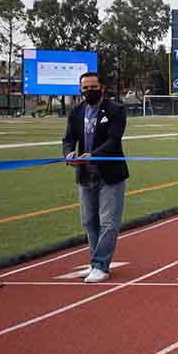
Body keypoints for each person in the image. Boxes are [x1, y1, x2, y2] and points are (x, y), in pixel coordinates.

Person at [62, 72, 130, 283]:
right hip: (85, 175)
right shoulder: (75, 111)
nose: (89, 92)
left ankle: (101, 265)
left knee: (108, 222)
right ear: (80, 90)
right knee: (89, 221)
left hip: (110, 174)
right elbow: (68, 138)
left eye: (93, 88)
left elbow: (114, 139)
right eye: (85, 88)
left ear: (102, 88)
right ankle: (95, 263)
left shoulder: (116, 110)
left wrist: (93, 155)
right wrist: (69, 154)